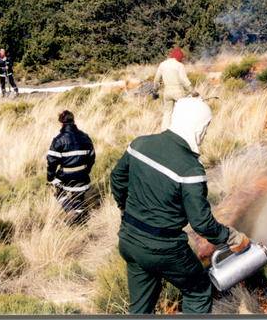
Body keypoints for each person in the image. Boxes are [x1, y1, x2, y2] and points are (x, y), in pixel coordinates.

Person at [110, 97, 250, 314]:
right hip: (164, 249)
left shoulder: (139, 144)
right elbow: (202, 223)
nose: (205, 133)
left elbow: (117, 179)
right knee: (199, 291)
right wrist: (233, 237)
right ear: (198, 127)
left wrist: (126, 211)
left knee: (140, 307)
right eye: (206, 127)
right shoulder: (190, 170)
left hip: (129, 240)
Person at [47, 110, 95, 221]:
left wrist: (50, 178)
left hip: (66, 176)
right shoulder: (85, 137)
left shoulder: (58, 140)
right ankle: (79, 217)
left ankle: (70, 211)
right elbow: (92, 157)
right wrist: (85, 171)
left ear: (61, 123)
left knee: (57, 190)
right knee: (79, 197)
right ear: (73, 121)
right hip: (83, 176)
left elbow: (51, 161)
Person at [153, 47, 192, 129]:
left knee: (167, 113)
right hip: (178, 92)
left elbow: (156, 80)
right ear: (179, 57)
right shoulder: (179, 65)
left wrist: (155, 91)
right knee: (182, 112)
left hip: (166, 92)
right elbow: (184, 80)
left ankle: (164, 131)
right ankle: (181, 130)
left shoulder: (162, 64)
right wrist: (192, 91)